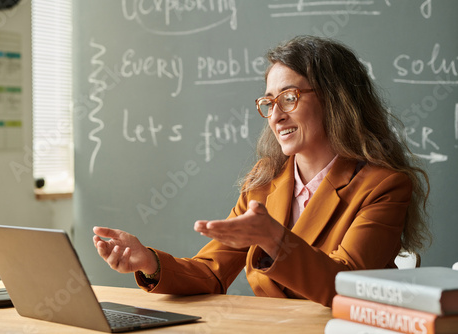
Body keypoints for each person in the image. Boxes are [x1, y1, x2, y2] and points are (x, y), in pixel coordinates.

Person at [93, 35, 431, 307]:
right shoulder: (265, 181)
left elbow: (346, 287)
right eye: (269, 103)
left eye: (289, 97)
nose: (275, 116)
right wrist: (150, 263)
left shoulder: (384, 185)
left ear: (335, 100)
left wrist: (274, 238)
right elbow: (211, 274)